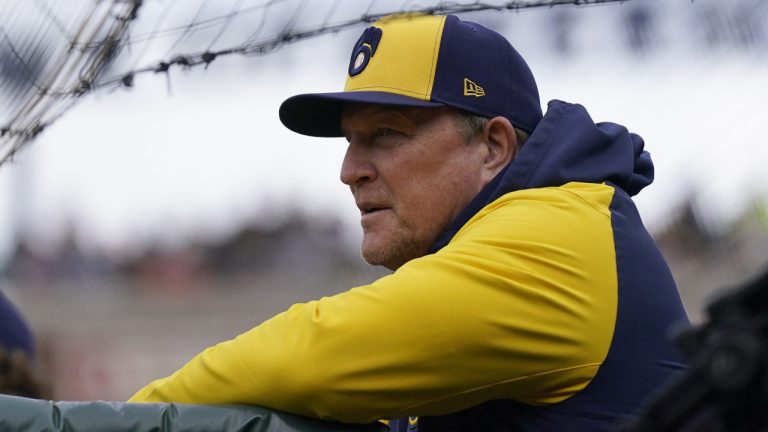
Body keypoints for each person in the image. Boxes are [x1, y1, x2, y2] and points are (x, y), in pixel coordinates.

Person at [129, 13, 689, 431]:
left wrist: (116, 420)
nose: (350, 171)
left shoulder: (557, 233)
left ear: (493, 147)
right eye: (351, 142)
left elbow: (315, 353)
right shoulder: (523, 234)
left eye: (387, 135)